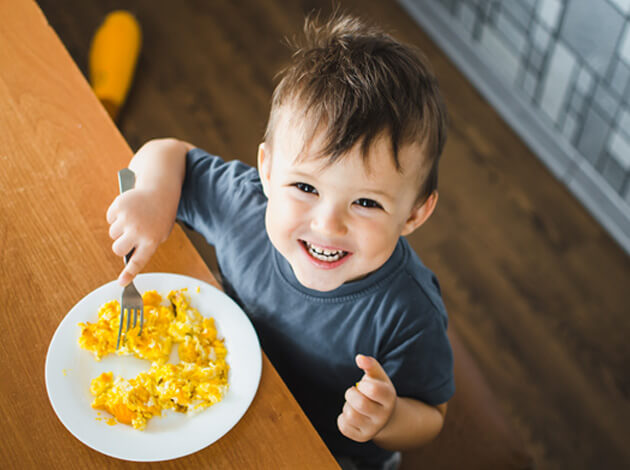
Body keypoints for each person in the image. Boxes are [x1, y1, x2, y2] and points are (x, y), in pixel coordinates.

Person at [106, 11, 454, 470]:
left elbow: (432, 416)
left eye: (366, 203)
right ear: (267, 171)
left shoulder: (408, 313)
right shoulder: (245, 207)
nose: (328, 226)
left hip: (329, 450)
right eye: (306, 188)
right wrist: (150, 195)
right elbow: (167, 152)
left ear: (414, 214)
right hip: (223, 394)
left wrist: (385, 417)